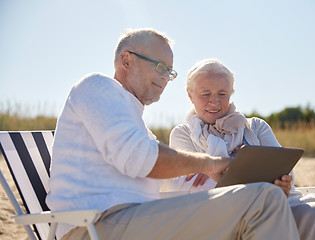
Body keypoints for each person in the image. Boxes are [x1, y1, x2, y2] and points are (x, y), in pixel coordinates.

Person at [45, 28, 301, 240]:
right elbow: (142, 158)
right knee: (263, 200)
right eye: (159, 66)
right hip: (99, 226)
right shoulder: (97, 86)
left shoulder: (135, 121)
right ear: (126, 61)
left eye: (170, 71)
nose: (166, 78)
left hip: (138, 221)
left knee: (261, 202)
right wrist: (216, 163)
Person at [163, 58, 315, 240]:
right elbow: (193, 189)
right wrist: (247, 173)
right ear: (190, 95)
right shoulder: (183, 134)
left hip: (275, 203)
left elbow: (285, 172)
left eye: (222, 94)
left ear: (231, 93)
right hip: (222, 216)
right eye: (205, 94)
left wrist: (214, 172)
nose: (214, 101)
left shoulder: (255, 126)